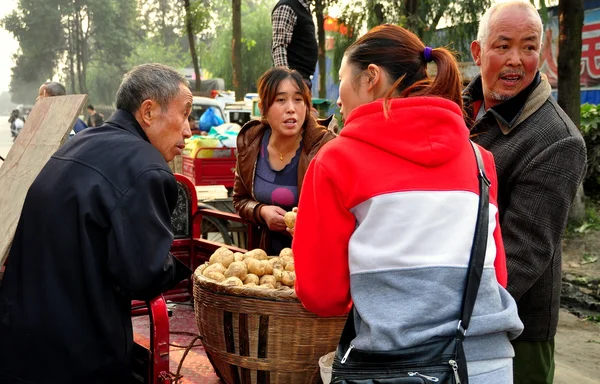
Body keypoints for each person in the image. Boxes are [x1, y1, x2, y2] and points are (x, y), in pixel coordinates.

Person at [292, 24, 524, 383]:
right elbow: (496, 277)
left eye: (341, 79)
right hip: (488, 363)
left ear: (371, 77)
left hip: (393, 367)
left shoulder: (335, 161)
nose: (338, 97)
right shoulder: (480, 160)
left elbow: (322, 295)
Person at [0, 63, 193, 383]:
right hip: (77, 358)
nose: (188, 130)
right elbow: (143, 275)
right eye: (185, 114)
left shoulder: (81, 142)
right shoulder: (147, 168)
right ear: (148, 111)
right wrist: (186, 268)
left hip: (18, 341)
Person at [463, 2, 587, 383]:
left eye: (529, 47)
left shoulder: (557, 140)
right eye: (503, 46)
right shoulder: (457, 109)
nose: (516, 60)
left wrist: (444, 310)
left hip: (515, 329)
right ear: (478, 52)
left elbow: (522, 256)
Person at [233, 67, 335, 255]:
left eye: (298, 100)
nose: (291, 108)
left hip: (314, 258)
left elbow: (340, 212)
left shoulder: (326, 147)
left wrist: (306, 222)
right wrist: (261, 211)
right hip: (266, 265)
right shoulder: (251, 142)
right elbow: (240, 200)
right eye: (281, 100)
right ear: (263, 108)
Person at [271, 0, 318, 88]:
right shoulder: (287, 6)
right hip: (293, 79)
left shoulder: (304, 8)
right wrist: (284, 79)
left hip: (302, 78)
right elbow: (279, 46)